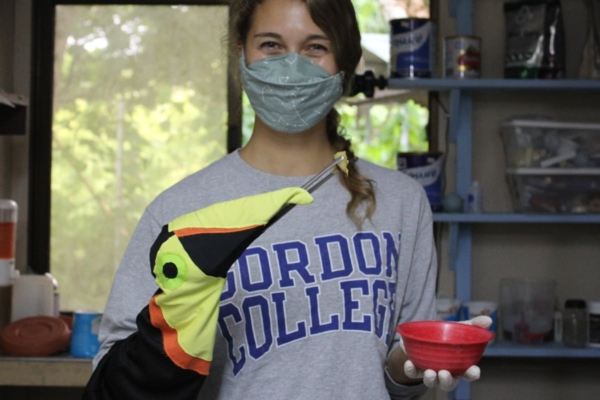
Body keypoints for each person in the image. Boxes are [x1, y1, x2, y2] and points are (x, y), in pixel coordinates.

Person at [86, 0, 491, 399]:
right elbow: (114, 367)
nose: (290, 65)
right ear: (241, 56)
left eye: (316, 47)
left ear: (344, 67)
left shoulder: (402, 203)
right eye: (271, 45)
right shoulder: (180, 209)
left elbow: (393, 375)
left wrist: (413, 364)